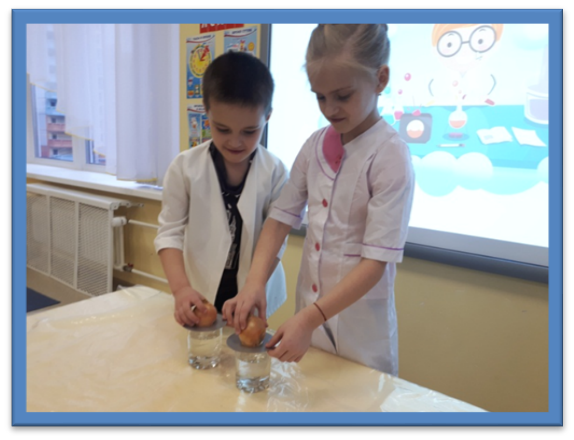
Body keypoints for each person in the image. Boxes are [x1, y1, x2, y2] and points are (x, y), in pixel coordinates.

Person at [222, 24, 415, 376]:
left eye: (342, 95)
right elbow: (279, 220)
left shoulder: (390, 156)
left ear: (381, 79)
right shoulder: (314, 146)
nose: (330, 109)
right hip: (309, 325)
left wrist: (310, 318)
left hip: (360, 337)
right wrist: (254, 283)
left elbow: (375, 263)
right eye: (320, 97)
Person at [154, 51, 289, 328]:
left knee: (245, 347)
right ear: (207, 111)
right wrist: (180, 289)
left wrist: (254, 285)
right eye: (223, 129)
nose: (235, 142)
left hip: (254, 288)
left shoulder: (275, 173)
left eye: (249, 131)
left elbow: (277, 238)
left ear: (268, 116)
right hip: (200, 289)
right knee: (201, 350)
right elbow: (169, 233)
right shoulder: (184, 168)